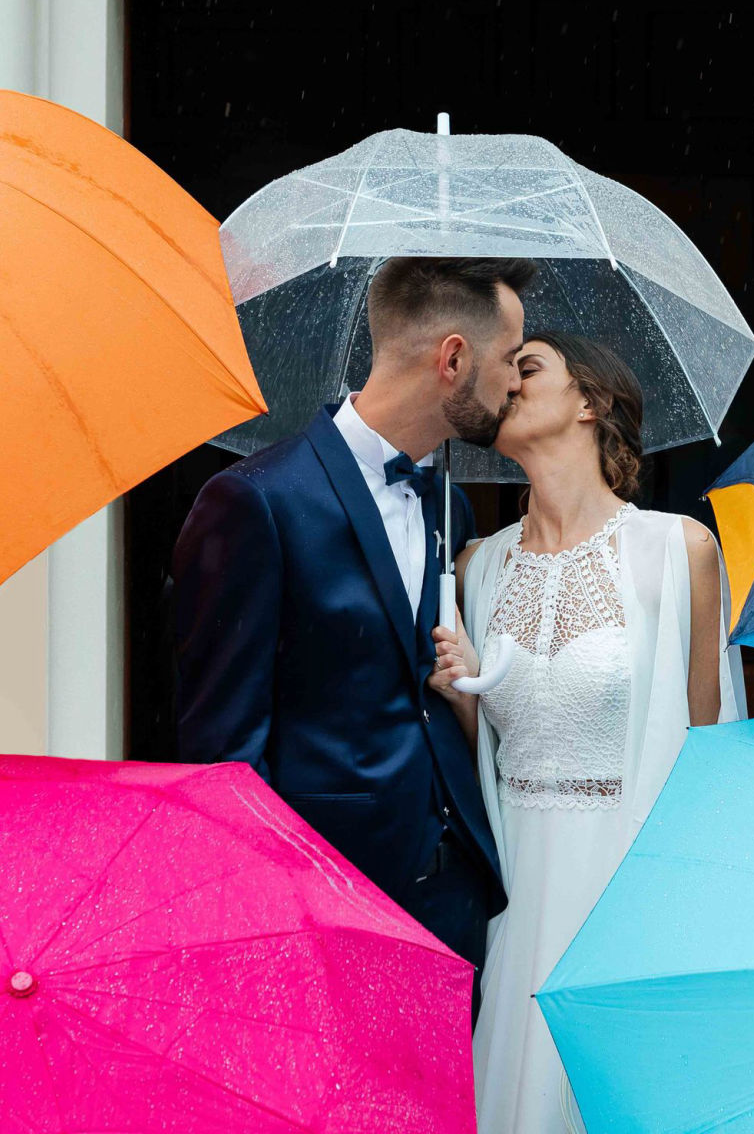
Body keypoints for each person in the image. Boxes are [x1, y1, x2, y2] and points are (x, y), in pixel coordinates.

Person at [172, 255, 535, 996]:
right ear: (453, 359)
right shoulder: (257, 501)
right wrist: (286, 906)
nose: (515, 384)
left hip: (455, 901)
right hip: (328, 904)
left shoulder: (450, 508)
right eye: (506, 360)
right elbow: (223, 750)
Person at [430, 332, 746, 1134]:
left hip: (627, 890)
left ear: (590, 401)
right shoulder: (476, 567)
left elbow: (709, 759)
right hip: (516, 896)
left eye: (527, 369)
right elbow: (484, 761)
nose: (505, 384)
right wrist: (462, 689)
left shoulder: (678, 553)